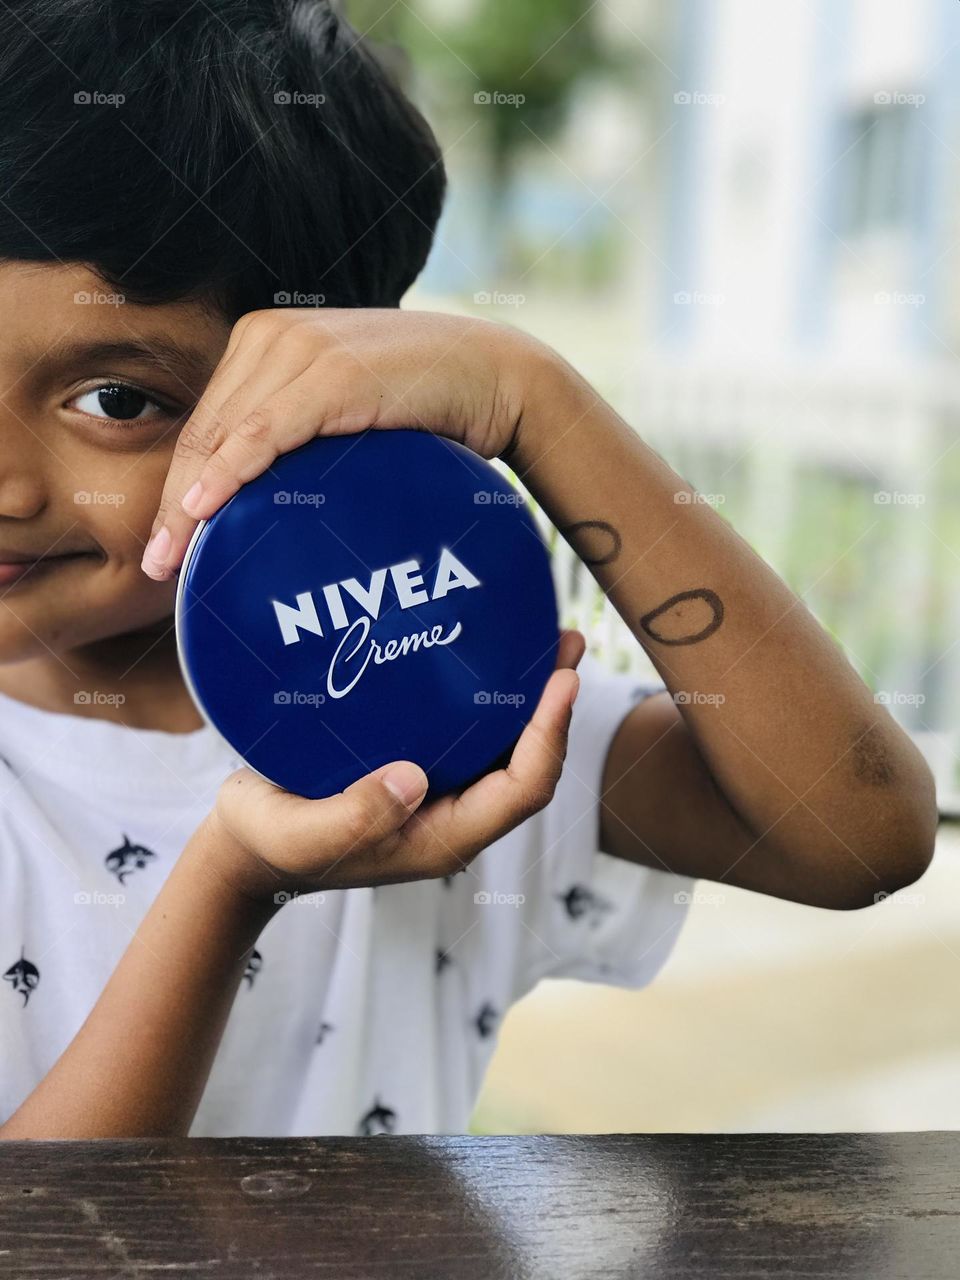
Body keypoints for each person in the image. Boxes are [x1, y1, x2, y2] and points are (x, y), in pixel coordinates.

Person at [0, 0, 936, 1139]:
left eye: (114, 399)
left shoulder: (446, 718)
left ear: (318, 411)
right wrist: (231, 880)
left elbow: (861, 836)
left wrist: (536, 397)